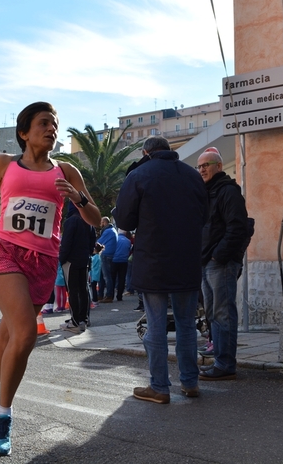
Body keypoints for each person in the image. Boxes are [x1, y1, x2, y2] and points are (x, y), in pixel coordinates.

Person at [0, 102, 101, 456]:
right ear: (24, 132)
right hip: (5, 251)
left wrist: (80, 199)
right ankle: (3, 416)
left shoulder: (67, 171)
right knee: (26, 333)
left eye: (55, 125)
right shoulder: (4, 164)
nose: (51, 129)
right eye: (44, 124)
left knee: (8, 337)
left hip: (43, 262)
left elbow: (94, 217)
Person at [113, 136, 207, 404]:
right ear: (169, 151)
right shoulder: (192, 175)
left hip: (153, 260)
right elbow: (205, 215)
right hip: (187, 260)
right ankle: (190, 382)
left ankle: (159, 387)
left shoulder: (139, 174)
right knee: (187, 325)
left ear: (146, 152)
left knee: (155, 325)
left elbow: (124, 219)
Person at [196, 148, 249, 382]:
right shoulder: (206, 193)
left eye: (207, 165)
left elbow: (238, 227)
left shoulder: (228, 191)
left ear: (219, 166)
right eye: (200, 166)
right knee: (213, 314)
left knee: (223, 313)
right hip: (207, 262)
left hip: (221, 262)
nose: (202, 169)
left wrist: (218, 256)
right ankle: (220, 360)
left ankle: (226, 364)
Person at [59, 200, 96, 331]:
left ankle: (74, 322)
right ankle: (83, 319)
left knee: (73, 291)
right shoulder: (88, 221)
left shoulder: (71, 221)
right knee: (84, 289)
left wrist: (62, 259)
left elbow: (66, 243)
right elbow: (93, 241)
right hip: (84, 259)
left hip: (71, 261)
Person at [96, 217, 118, 302]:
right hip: (110, 255)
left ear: (104, 223)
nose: (100, 224)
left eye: (101, 222)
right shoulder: (113, 230)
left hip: (105, 255)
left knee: (106, 276)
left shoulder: (108, 231)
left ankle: (109, 295)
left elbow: (99, 242)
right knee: (102, 276)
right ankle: (100, 294)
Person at [112, 229, 131, 301]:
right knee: (122, 279)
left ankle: (111, 294)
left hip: (114, 260)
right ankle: (119, 296)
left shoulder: (115, 239)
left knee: (112, 278)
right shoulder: (128, 241)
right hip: (124, 261)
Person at [89, 243, 104, 308]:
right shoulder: (98, 257)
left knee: (93, 288)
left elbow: (91, 266)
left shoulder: (94, 257)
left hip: (93, 274)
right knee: (94, 288)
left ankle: (94, 300)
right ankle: (96, 300)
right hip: (96, 274)